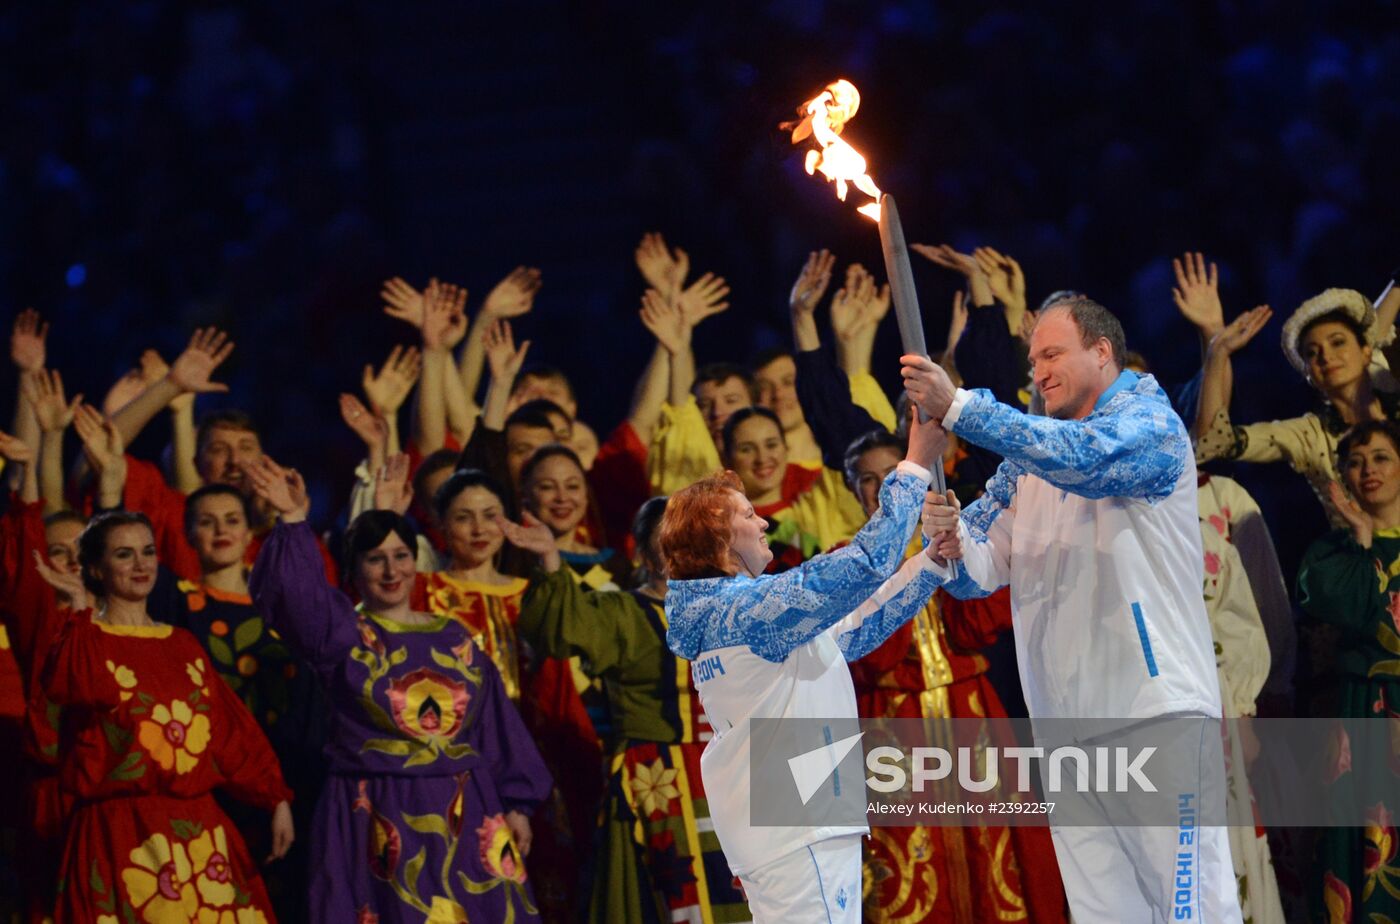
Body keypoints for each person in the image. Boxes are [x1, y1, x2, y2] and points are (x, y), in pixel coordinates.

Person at [900, 293, 1241, 922]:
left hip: (1150, 711)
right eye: (1033, 360)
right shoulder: (1031, 460)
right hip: (1064, 727)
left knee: (1191, 906)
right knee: (1106, 911)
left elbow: (1085, 459)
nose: (1039, 371)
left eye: (1052, 353)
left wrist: (960, 406)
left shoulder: (1150, 426)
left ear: (1102, 351)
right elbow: (981, 569)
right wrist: (949, 539)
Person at [661, 410, 958, 923]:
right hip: (798, 825)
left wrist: (930, 562)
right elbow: (865, 562)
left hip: (793, 825)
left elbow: (854, 631)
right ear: (718, 539)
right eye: (748, 514)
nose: (763, 522)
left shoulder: (741, 614)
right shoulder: (748, 613)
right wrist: (913, 466)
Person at [247, 456, 552, 922]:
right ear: (353, 571)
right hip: (374, 812)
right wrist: (292, 520)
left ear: (416, 560)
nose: (391, 571)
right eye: (375, 558)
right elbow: (295, 599)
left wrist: (517, 805)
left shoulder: (454, 638)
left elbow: (494, 727)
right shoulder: (343, 634)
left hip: (464, 812)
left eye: (401, 556)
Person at [839, 430, 1067, 923]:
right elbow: (871, 655)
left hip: (972, 712)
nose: (881, 489)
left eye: (893, 477)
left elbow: (979, 626)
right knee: (909, 848)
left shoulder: (948, 534)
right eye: (868, 480)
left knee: (995, 843)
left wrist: (951, 551)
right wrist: (894, 563)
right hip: (893, 725)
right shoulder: (848, 561)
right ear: (852, 490)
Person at [36, 510, 293, 922]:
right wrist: (81, 608)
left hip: (194, 829)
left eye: (148, 552)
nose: (141, 564)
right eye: (124, 554)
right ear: (97, 570)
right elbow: (70, 684)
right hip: (122, 833)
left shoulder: (182, 643)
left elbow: (228, 728)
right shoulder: (84, 639)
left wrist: (275, 796)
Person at [506, 497, 750, 921]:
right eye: (667, 539)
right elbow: (558, 629)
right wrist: (549, 558)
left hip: (740, 775)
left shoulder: (736, 609)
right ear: (641, 554)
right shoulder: (623, 612)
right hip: (659, 781)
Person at [1185, 251, 1400, 526]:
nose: (1326, 356)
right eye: (1312, 352)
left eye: (1338, 342)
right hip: (1365, 565)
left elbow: (1376, 329)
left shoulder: (1388, 388)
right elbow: (1210, 445)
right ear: (1309, 374)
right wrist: (1217, 349)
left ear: (1367, 353)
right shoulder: (1308, 436)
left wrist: (1396, 283)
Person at [1296, 419, 1400, 923]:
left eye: (1380, 457)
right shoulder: (1331, 554)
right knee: (1362, 849)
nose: (1368, 470)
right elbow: (1351, 606)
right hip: (1364, 719)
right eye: (1355, 462)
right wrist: (1362, 537)